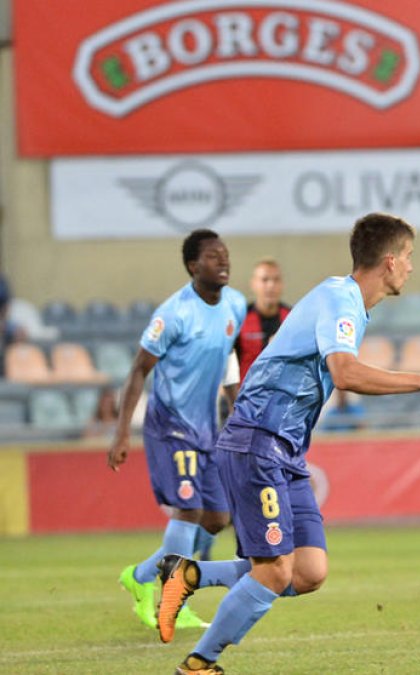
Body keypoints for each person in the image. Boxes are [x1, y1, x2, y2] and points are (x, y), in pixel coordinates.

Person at [158, 213, 420, 674]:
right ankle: (199, 664)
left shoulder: (347, 302)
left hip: (285, 450)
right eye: (407, 256)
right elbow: (345, 373)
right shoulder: (340, 300)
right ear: (389, 261)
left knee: (308, 571)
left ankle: (190, 574)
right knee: (274, 571)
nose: (411, 266)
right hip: (256, 441)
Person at [107, 229, 247, 631]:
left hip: (207, 428)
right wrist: (122, 433)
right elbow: (139, 370)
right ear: (192, 266)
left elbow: (227, 357)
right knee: (188, 509)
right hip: (170, 426)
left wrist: (237, 406)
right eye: (213, 256)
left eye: (225, 254)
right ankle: (175, 600)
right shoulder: (173, 313)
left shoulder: (235, 304)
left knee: (216, 518)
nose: (223, 260)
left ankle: (140, 576)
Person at [234, 258, 291, 382]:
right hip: (246, 391)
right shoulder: (240, 318)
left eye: (276, 280)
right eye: (265, 280)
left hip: (282, 391)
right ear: (253, 284)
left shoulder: (292, 318)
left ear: (282, 284)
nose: (271, 285)